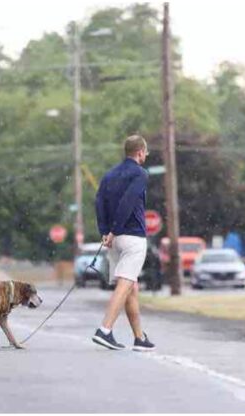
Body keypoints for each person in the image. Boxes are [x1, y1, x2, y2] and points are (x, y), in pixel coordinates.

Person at [92, 135, 155, 352]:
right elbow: (128, 202)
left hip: (115, 240)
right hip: (133, 238)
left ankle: (139, 338)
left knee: (130, 288)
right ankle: (105, 330)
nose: (145, 156)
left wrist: (105, 231)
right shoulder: (140, 173)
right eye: (145, 153)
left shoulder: (109, 175)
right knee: (125, 285)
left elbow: (99, 202)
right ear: (140, 152)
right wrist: (115, 229)